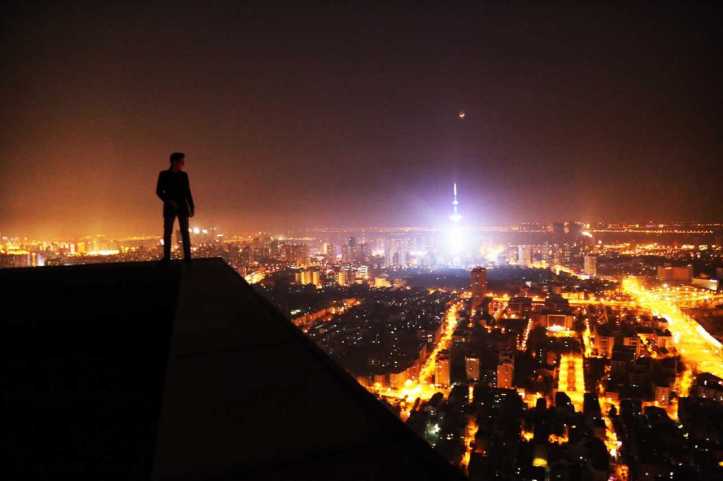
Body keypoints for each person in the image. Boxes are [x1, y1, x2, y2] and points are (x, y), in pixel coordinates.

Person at [156, 152, 195, 262]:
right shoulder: (164, 174)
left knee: (184, 232)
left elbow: (188, 192)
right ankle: (167, 257)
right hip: (170, 207)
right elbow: (159, 191)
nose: (183, 164)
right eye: (181, 162)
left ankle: (187, 257)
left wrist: (192, 207)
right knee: (168, 232)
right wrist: (169, 201)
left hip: (181, 207)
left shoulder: (183, 175)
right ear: (174, 162)